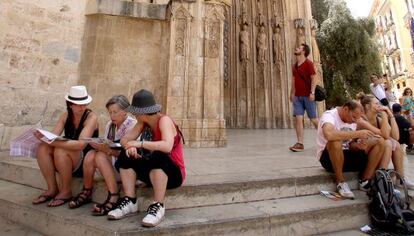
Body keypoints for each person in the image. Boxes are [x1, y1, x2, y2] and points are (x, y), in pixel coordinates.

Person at [108, 89, 185, 227]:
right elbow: (125, 140)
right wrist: (130, 147)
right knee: (126, 155)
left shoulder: (164, 120)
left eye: (135, 112)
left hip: (173, 173)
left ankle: (158, 205)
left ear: (142, 112)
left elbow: (167, 146)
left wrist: (138, 143)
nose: (134, 115)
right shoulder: (143, 122)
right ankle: (130, 201)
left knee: (158, 154)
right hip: (153, 171)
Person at [68, 95, 137, 214]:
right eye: (110, 112)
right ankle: (87, 190)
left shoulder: (133, 125)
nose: (112, 115)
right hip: (112, 163)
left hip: (127, 168)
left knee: (100, 156)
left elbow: (130, 153)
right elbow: (107, 145)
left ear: (125, 111)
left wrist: (107, 151)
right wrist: (99, 146)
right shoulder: (110, 125)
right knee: (90, 154)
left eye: (115, 112)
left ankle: (114, 195)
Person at [32, 86, 98, 207]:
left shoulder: (91, 117)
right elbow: (52, 136)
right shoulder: (65, 116)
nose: (82, 107)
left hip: (84, 162)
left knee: (60, 149)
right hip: (65, 160)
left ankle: (66, 191)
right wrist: (43, 138)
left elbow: (81, 144)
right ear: (70, 104)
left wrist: (50, 141)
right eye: (78, 104)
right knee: (42, 148)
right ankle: (52, 189)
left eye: (84, 104)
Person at [317, 100, 385, 199]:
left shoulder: (354, 120)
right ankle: (341, 183)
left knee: (380, 141)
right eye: (353, 117)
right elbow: (329, 134)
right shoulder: (329, 116)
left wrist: (357, 145)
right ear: (345, 109)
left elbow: (349, 144)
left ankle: (365, 181)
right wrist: (357, 133)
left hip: (346, 156)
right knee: (335, 141)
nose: (355, 121)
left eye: (357, 118)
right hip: (329, 159)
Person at [358, 94, 414, 190]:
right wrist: (384, 114)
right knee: (387, 142)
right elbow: (385, 135)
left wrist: (390, 115)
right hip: (362, 152)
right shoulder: (361, 119)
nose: (379, 105)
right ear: (367, 106)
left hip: (378, 151)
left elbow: (396, 137)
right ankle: (380, 180)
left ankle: (400, 180)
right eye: (376, 103)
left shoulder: (378, 119)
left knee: (395, 144)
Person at [289, 43, 318, 152]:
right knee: (298, 118)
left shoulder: (308, 64)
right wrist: (292, 93)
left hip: (308, 96)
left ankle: (327, 137)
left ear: (304, 51)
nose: (296, 48)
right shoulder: (295, 65)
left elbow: (314, 78)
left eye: (299, 48)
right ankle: (300, 143)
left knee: (314, 119)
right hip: (297, 97)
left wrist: (312, 92)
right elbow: (294, 80)